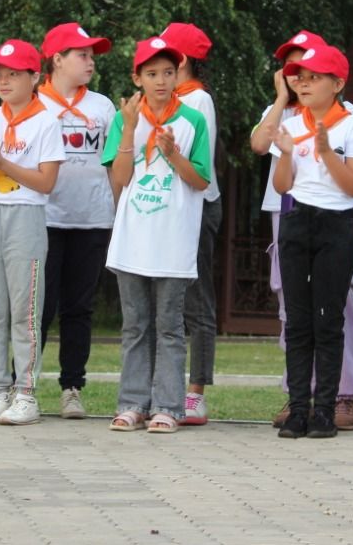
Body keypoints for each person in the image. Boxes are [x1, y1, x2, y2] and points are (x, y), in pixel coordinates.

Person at [251, 30, 353, 431]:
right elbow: (282, 185)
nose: (302, 82)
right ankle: (298, 409)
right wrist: (286, 153)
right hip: (296, 220)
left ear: (337, 84)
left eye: (313, 76)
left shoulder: (351, 126)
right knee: (298, 319)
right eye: (298, 76)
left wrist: (324, 152)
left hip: (336, 224)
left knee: (327, 318)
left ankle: (326, 411)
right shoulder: (289, 122)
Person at [105, 37, 211, 434]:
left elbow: (200, 180)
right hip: (133, 237)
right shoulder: (125, 118)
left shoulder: (192, 120)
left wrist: (174, 154)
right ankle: (133, 402)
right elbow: (119, 179)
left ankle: (169, 405)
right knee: (135, 325)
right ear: (138, 77)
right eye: (152, 74)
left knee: (169, 325)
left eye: (169, 72)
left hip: (173, 239)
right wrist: (131, 129)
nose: (161, 81)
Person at [0, 39, 63, 427]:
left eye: (13, 74)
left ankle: (26, 393)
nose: (3, 81)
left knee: (25, 310)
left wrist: (5, 162)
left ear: (34, 77)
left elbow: (46, 182)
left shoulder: (46, 121)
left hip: (25, 216)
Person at [37, 22, 116, 419]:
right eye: (82, 54)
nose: (91, 61)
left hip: (92, 218)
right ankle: (24, 386)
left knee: (79, 308)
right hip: (43, 218)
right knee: (38, 306)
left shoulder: (102, 106)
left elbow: (116, 162)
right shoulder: (34, 102)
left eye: (92, 55)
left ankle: (72, 387)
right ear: (57, 59)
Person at [160, 22, 221, 426]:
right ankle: (162, 387)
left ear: (180, 61)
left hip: (196, 206)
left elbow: (191, 163)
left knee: (196, 301)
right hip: (166, 207)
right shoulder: (167, 99)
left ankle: (195, 391)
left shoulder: (196, 101)